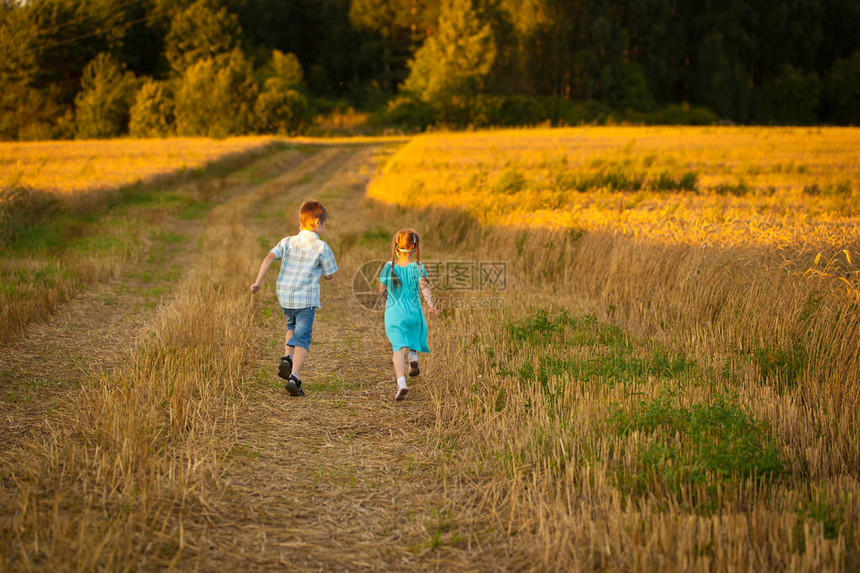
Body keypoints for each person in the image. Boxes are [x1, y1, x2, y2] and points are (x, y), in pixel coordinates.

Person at [250, 199, 337, 396]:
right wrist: (324, 272)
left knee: (291, 326)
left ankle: (287, 358)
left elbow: (268, 258)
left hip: (285, 297)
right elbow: (329, 275)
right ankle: (294, 377)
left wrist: (258, 282)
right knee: (303, 338)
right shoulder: (322, 247)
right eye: (324, 224)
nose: (324, 228)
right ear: (317, 222)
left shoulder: (287, 241)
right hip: (305, 299)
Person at [379, 228, 437, 401]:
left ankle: (401, 382)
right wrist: (430, 305)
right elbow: (425, 288)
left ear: (395, 247)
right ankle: (413, 356)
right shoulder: (418, 268)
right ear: (415, 248)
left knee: (398, 348)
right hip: (413, 311)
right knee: (412, 334)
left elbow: (381, 289)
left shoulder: (389, 267)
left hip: (395, 312)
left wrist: (387, 297)